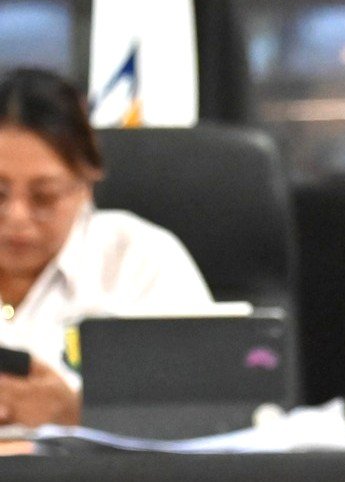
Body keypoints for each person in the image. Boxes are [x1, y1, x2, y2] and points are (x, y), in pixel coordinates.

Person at [0, 68, 212, 426]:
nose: (17, 217)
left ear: (86, 183)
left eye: (44, 197)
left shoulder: (138, 259)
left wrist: (77, 416)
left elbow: (207, 414)